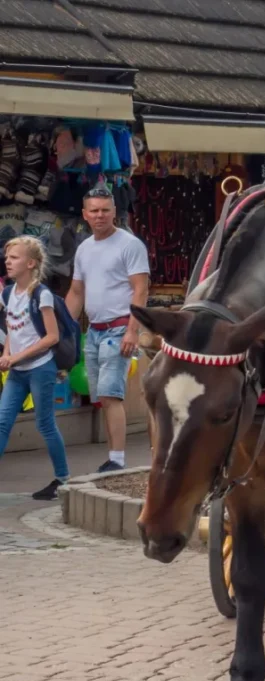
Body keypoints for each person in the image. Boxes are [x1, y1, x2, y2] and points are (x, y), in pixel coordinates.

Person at [64, 188, 149, 473]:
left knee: (112, 396)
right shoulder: (84, 248)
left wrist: (132, 331)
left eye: (105, 210)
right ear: (85, 214)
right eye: (94, 210)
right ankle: (112, 455)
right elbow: (76, 292)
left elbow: (141, 290)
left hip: (119, 329)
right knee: (102, 397)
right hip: (95, 330)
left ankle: (117, 459)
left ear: (115, 211)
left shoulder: (130, 244)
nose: (100, 215)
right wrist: (63, 328)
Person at [0, 237, 71, 499]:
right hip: (17, 371)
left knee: (45, 424)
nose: (8, 261)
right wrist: (8, 353)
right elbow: (13, 329)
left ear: (31, 263)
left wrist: (15, 358)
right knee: (2, 422)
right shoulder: (8, 293)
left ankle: (63, 478)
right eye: (7, 257)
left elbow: (51, 337)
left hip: (40, 369)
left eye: (14, 257)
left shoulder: (42, 295)